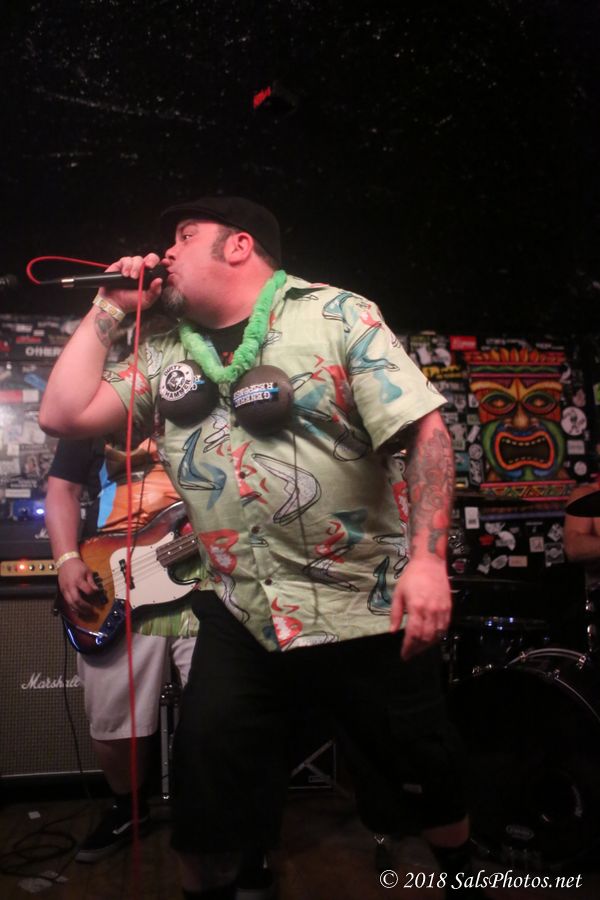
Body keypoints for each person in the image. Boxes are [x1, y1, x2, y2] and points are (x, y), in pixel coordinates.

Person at [40, 196, 480, 899]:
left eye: (185, 236)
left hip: (364, 603)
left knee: (427, 791)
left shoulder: (334, 314)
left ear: (239, 246)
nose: (166, 251)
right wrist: (108, 308)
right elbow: (62, 413)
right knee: (208, 810)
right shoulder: (162, 349)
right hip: (239, 611)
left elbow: (427, 434)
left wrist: (427, 560)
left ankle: (463, 874)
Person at [46, 436, 201, 862]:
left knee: (223, 708)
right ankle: (129, 809)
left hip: (206, 571)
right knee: (113, 716)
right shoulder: (93, 416)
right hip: (118, 574)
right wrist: (66, 559)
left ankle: (228, 820)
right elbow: (62, 488)